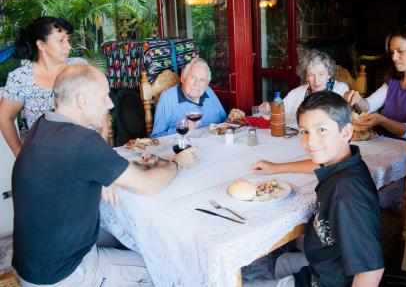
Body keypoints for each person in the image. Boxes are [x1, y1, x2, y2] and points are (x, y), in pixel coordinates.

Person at [11, 63, 198, 286]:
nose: (110, 104)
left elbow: (66, 168)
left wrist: (102, 177)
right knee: (163, 264)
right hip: (64, 273)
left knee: (127, 233)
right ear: (82, 100)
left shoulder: (42, 125)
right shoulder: (81, 141)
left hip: (31, 263)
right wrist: (178, 163)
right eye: (104, 96)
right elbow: (148, 185)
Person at [247, 91, 384, 287]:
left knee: (247, 282)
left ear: (346, 132)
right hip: (326, 259)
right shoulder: (345, 161)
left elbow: (371, 271)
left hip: (326, 280)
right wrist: (276, 168)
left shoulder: (347, 194)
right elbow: (318, 165)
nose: (310, 141)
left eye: (321, 130)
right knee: (271, 263)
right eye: (304, 131)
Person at [0, 16, 88, 156]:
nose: (68, 46)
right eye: (61, 40)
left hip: (86, 153)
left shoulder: (80, 67)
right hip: (45, 160)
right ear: (41, 45)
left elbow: (101, 106)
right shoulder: (21, 78)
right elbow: (4, 117)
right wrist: (20, 154)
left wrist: (103, 144)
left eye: (67, 39)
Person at [344, 25, 406, 139]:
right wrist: (358, 99)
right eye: (392, 52)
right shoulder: (394, 80)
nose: (394, 57)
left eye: (400, 51)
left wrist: (381, 120)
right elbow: (368, 107)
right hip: (390, 143)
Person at [151, 57, 244, 138]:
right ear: (183, 77)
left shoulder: (208, 92)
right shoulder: (167, 98)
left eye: (202, 80)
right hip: (186, 150)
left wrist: (230, 119)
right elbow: (155, 137)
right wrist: (181, 129)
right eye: (193, 77)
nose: (197, 84)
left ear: (207, 84)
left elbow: (222, 123)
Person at [260, 50, 349, 117]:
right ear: (306, 77)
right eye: (311, 75)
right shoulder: (296, 93)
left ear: (329, 74)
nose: (316, 80)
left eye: (321, 74)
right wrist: (269, 108)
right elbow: (279, 111)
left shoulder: (340, 89)